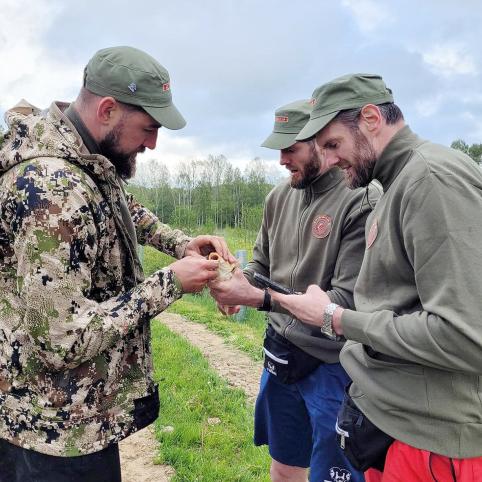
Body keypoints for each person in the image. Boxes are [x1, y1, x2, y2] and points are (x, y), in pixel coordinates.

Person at [0, 46, 235, 482]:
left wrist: (181, 244)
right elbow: (62, 341)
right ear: (108, 109)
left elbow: (121, 204)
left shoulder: (84, 158)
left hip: (72, 419)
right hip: (51, 433)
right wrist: (169, 283)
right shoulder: (53, 190)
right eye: (149, 128)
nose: (153, 143)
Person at [270, 73, 482, 482]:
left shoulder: (432, 179)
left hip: (432, 445)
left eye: (333, 144)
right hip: (397, 427)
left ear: (370, 118)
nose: (329, 160)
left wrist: (336, 318)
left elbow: (466, 335)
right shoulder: (398, 182)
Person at [210, 99, 377, 482]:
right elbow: (260, 267)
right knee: (285, 467)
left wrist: (259, 298)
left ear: (321, 141)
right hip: (280, 356)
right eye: (279, 149)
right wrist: (235, 285)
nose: (282, 160)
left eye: (291, 148)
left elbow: (347, 302)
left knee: (334, 476)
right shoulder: (278, 198)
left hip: (333, 368)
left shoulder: (361, 201)